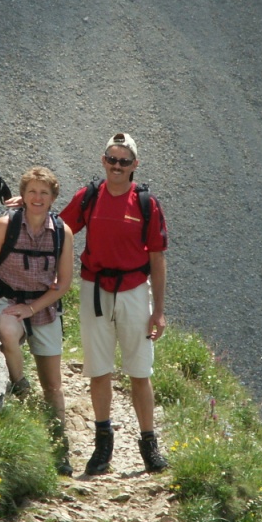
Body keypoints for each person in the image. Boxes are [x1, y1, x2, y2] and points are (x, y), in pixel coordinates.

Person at [59, 133, 169, 475]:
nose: (117, 166)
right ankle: (102, 444)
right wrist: (28, 207)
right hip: (94, 288)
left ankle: (148, 444)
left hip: (135, 290)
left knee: (140, 371)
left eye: (124, 161)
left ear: (135, 165)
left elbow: (158, 258)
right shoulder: (88, 197)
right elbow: (59, 230)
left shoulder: (146, 203)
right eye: (112, 159)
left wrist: (159, 311)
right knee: (99, 368)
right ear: (103, 160)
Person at [0, 166, 75, 475]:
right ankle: (20, 385)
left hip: (43, 307)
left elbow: (63, 284)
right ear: (23, 195)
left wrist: (32, 309)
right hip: (6, 299)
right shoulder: (6, 225)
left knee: (54, 385)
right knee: (7, 328)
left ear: (53, 198)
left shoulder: (62, 232)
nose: (37, 197)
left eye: (44, 193)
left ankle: (61, 449)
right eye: (31, 191)